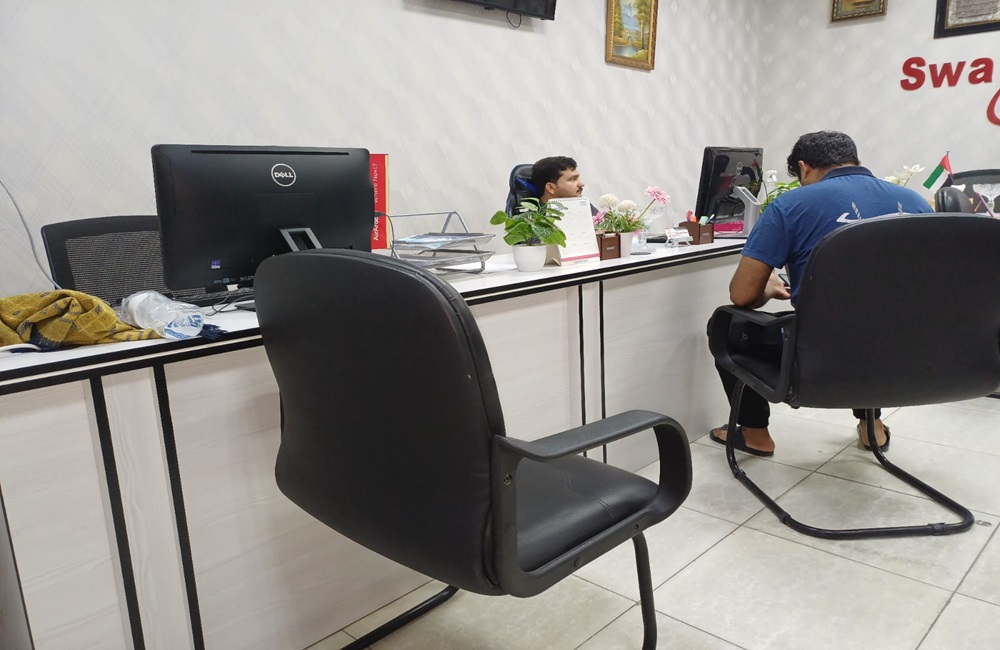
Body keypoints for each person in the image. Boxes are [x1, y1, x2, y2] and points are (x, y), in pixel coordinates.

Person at [709, 130, 933, 457]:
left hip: (821, 361)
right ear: (857, 161)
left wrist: (767, 289)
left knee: (729, 327)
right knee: (876, 319)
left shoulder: (790, 206)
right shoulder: (915, 203)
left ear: (804, 168)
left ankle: (755, 433)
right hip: (910, 356)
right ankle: (872, 425)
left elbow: (742, 296)